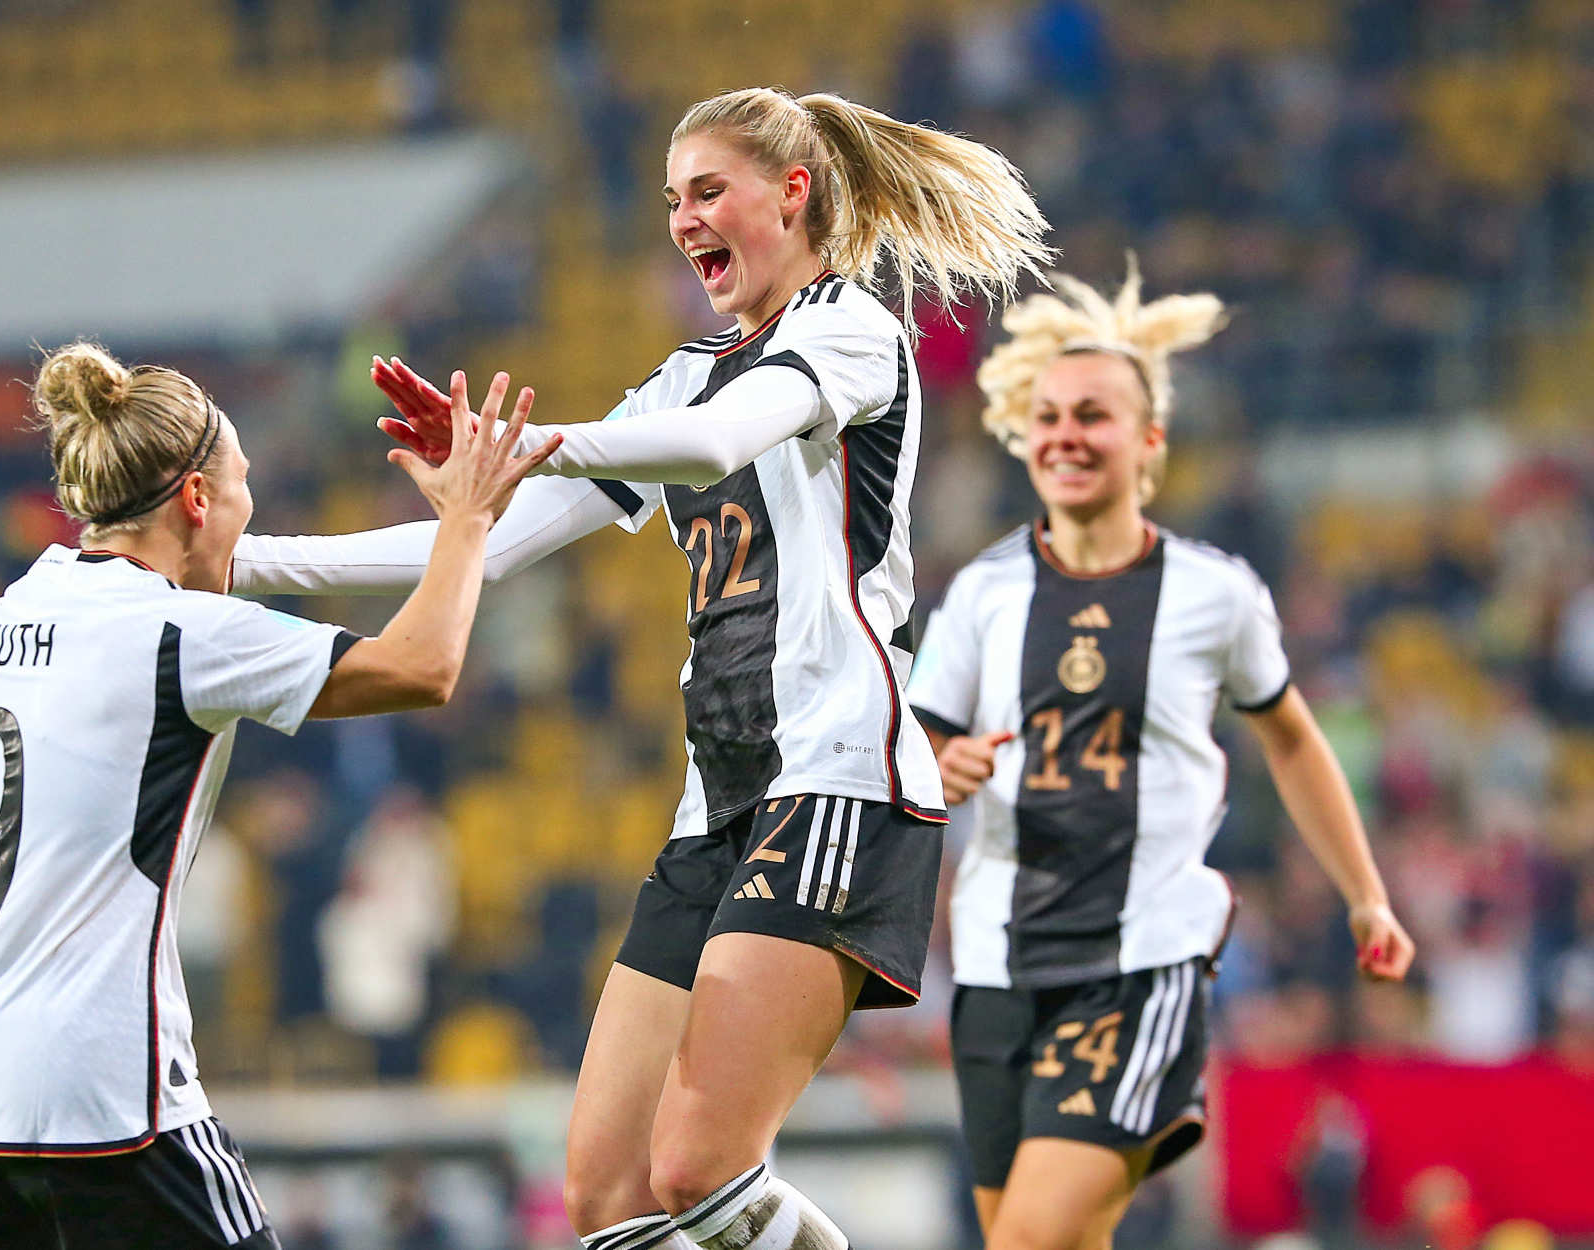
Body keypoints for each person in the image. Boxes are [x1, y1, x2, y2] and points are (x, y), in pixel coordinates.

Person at [230, 86, 1052, 1250]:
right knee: (607, 1194)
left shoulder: (848, 331)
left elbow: (720, 441)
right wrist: (232, 560)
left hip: (833, 781)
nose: (683, 220)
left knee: (699, 1165)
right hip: (715, 809)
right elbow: (479, 538)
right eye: (672, 200)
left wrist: (521, 445)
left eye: (708, 191)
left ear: (794, 191)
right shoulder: (680, 375)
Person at [0, 342, 557, 1250]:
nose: (252, 519)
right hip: (103, 1084)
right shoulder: (176, 634)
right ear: (198, 500)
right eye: (243, 486)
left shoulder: (9, 612)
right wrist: (468, 515)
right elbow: (424, 667)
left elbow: (197, 576)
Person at [905, 259, 1417, 1250]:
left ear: (1147, 442)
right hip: (994, 968)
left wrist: (1364, 891)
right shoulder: (980, 592)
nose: (1063, 433)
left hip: (1136, 962)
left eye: (1091, 414)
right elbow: (911, 746)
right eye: (1046, 415)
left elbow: (1291, 738)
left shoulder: (1213, 595)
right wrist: (939, 763)